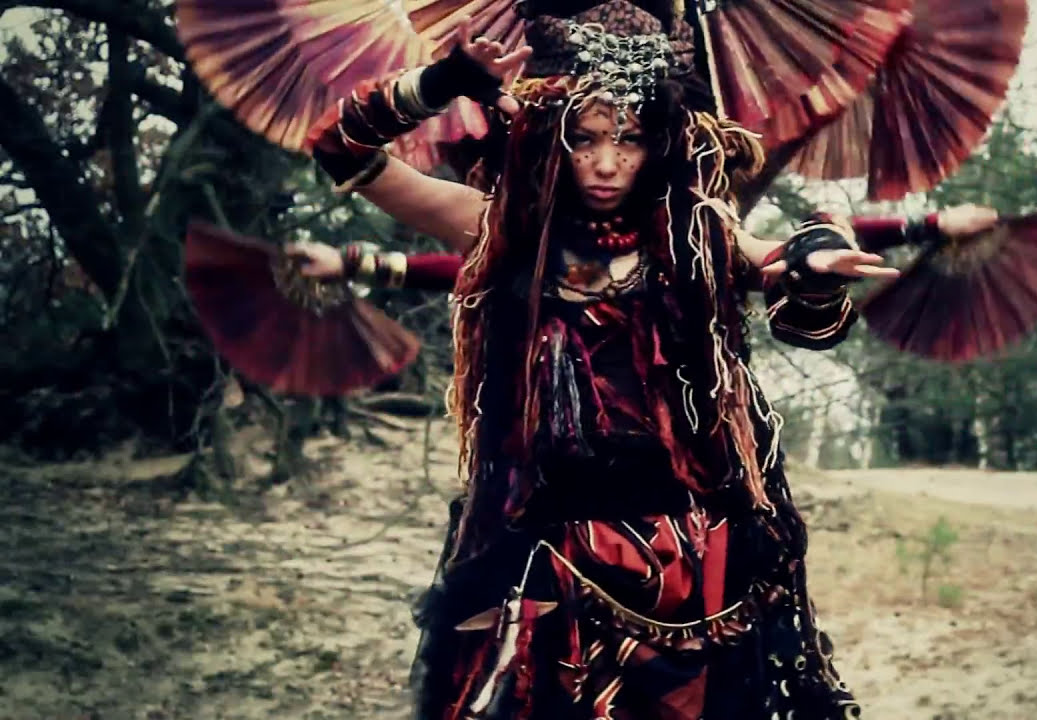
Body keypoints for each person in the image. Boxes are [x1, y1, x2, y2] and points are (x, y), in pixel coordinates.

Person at [285, 4, 997, 718]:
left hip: (693, 551)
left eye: (628, 139)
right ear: (553, 135)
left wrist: (814, 261)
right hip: (547, 546)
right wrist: (441, 82)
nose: (605, 163)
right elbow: (340, 149)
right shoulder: (503, 226)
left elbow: (791, 280)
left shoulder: (696, 233)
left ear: (658, 142)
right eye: (586, 138)